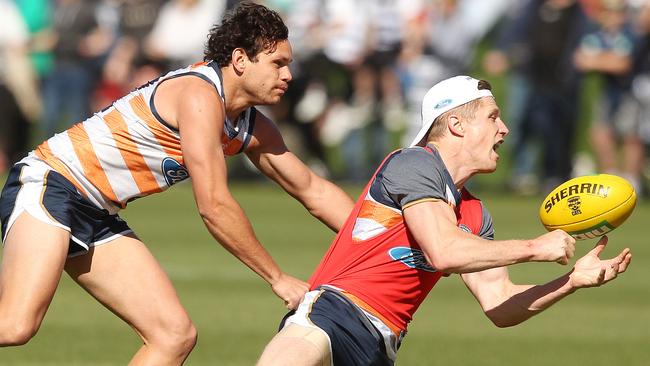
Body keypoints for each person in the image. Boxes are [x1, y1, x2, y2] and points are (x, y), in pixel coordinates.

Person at [0, 2, 354, 364]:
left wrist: (381, 235)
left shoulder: (248, 124)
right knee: (15, 325)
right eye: (278, 63)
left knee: (173, 336)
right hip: (51, 182)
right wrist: (277, 277)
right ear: (240, 60)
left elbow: (313, 190)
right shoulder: (199, 96)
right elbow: (214, 206)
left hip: (93, 209)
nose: (288, 75)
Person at [256, 76, 632, 366]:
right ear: (456, 123)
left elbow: (500, 303)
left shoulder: (474, 213)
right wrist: (535, 247)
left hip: (380, 346)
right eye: (493, 117)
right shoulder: (414, 163)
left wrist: (571, 281)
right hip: (332, 314)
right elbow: (443, 250)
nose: (504, 130)